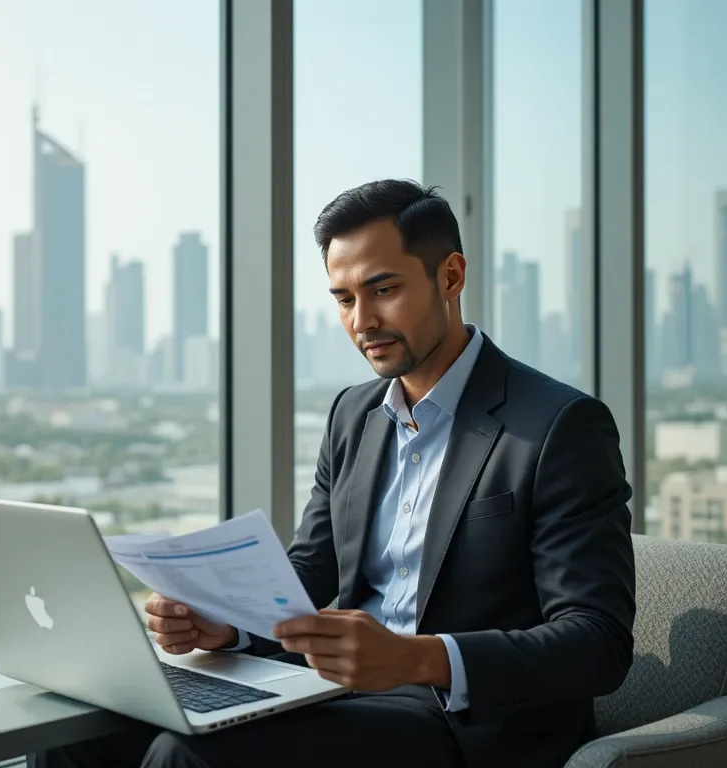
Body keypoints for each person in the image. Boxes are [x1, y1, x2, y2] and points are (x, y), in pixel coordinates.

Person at [50, 179, 636, 768]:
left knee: (186, 754)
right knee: (76, 730)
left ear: (451, 277)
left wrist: (416, 658)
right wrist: (225, 623)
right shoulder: (354, 414)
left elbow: (597, 642)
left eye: (383, 289)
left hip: (458, 725)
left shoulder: (559, 425)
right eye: (344, 298)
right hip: (327, 688)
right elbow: (312, 569)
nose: (362, 321)